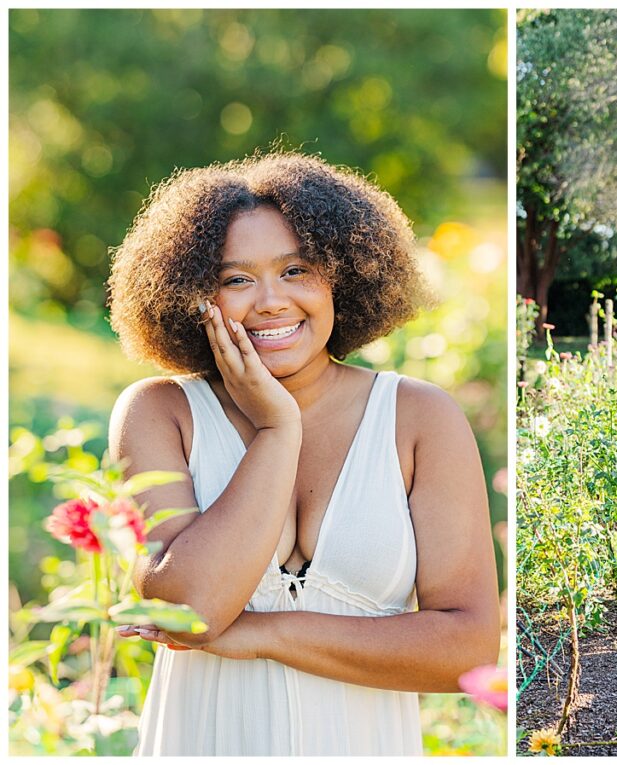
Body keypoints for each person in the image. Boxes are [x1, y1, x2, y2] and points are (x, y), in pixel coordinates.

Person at [105, 152, 501, 754]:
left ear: (342, 275)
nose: (269, 301)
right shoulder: (160, 413)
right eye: (236, 279)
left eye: (297, 270)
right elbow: (190, 611)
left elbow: (467, 651)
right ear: (194, 296)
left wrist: (264, 635)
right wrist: (277, 431)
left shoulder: (419, 418)